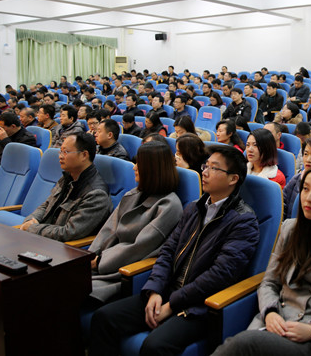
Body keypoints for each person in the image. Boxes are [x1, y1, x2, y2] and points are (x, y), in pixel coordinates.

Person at [90, 145, 260, 356]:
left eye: (214, 168)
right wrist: (154, 290)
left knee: (155, 346)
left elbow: (220, 275)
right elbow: (168, 252)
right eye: (205, 166)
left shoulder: (243, 221)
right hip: (167, 291)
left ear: (233, 179)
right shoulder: (194, 208)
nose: (205, 172)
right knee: (104, 318)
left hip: (199, 305)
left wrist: (172, 304)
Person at [211, 163, 311, 356]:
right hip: (275, 322)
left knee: (243, 344)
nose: (308, 198)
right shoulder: (290, 228)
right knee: (244, 344)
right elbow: (269, 282)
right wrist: (270, 312)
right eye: (305, 189)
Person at [87, 142, 183, 304]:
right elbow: (108, 229)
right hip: (100, 263)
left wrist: (100, 261)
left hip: (120, 272)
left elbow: (138, 247)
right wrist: (90, 256)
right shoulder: (133, 194)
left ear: (153, 169)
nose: (134, 167)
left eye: (139, 164)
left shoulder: (169, 206)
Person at [20, 132, 111, 241]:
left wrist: (32, 228)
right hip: (44, 237)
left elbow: (68, 232)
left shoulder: (96, 194)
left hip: (62, 247)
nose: (60, 156)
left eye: (66, 152)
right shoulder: (68, 176)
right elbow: (47, 204)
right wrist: (31, 219)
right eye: (61, 151)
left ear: (84, 155)